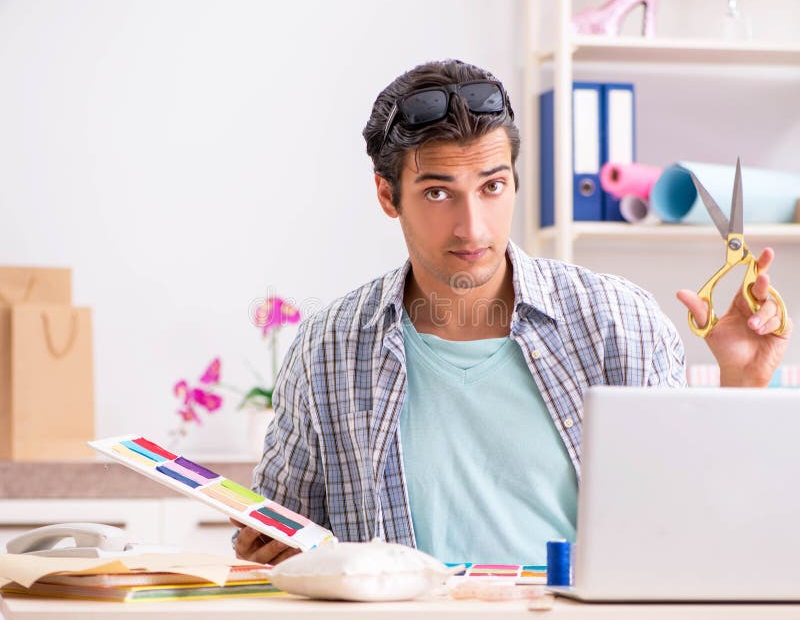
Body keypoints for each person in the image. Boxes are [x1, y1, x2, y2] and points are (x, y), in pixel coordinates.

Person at [232, 59, 791, 566]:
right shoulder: (329, 346)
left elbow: (696, 525)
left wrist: (741, 385)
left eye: (492, 186)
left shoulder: (619, 322)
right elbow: (279, 547)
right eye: (436, 193)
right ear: (387, 194)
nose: (472, 227)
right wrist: (262, 548)